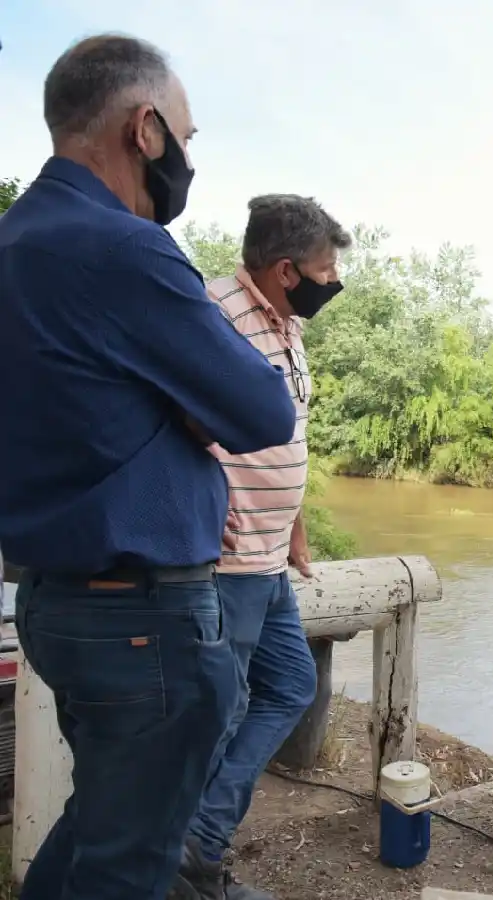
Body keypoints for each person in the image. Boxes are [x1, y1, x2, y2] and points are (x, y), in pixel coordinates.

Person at [0, 35, 296, 900]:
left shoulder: (17, 242)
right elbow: (262, 410)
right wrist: (187, 406)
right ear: (146, 129)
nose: (188, 159)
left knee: (102, 827)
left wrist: (165, 404)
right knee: (130, 866)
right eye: (187, 137)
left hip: (56, 601)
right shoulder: (122, 248)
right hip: (141, 620)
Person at [174, 195, 351, 899]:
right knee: (217, 717)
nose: (332, 281)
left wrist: (296, 518)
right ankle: (191, 861)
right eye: (325, 268)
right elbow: (164, 417)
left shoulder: (287, 324)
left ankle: (196, 844)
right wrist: (195, 503)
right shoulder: (213, 312)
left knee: (290, 686)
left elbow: (288, 430)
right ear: (286, 270)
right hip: (228, 562)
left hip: (270, 554)